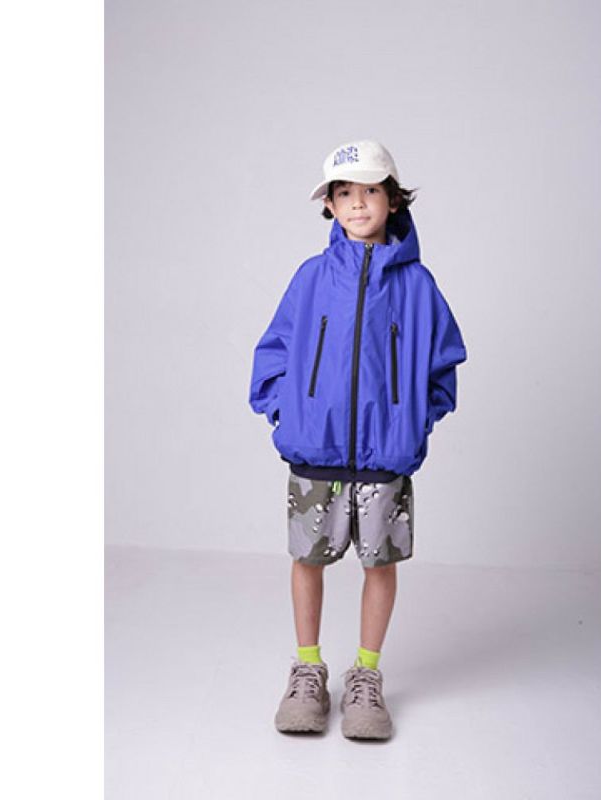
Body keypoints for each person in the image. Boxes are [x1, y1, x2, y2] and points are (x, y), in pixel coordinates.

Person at [249, 140, 467, 739]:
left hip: (384, 455)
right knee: (307, 559)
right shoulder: (312, 278)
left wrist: (413, 420)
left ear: (393, 200)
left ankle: (367, 676)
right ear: (330, 205)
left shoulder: (417, 285)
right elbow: (274, 349)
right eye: (344, 193)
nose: (357, 204)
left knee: (380, 564)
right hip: (313, 449)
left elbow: (443, 362)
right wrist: (285, 412)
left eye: (370, 191)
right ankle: (308, 670)